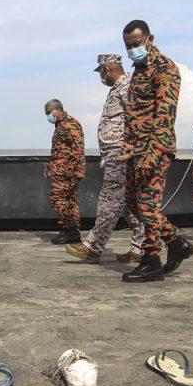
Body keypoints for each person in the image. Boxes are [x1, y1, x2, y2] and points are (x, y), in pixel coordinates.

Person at [119, 19, 193, 282]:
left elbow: (165, 113)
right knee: (134, 204)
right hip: (134, 150)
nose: (132, 49)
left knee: (147, 205)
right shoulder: (138, 71)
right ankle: (172, 246)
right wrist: (128, 148)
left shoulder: (165, 68)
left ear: (150, 39)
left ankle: (154, 258)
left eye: (137, 44)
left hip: (154, 149)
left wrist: (152, 153)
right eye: (128, 45)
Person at [65, 54, 145, 264]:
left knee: (109, 199)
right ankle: (140, 248)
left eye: (100, 71)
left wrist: (129, 149)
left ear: (106, 69)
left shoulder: (126, 85)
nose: (101, 76)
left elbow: (135, 118)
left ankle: (93, 247)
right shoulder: (116, 89)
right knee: (128, 203)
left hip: (120, 153)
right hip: (113, 153)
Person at [43, 99, 85, 244]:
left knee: (57, 199)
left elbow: (77, 148)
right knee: (70, 201)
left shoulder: (70, 123)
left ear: (58, 109)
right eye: (46, 113)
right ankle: (73, 232)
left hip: (67, 171)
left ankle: (69, 230)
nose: (48, 115)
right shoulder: (59, 125)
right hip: (60, 169)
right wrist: (50, 166)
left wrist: (70, 169)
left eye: (49, 112)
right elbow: (58, 150)